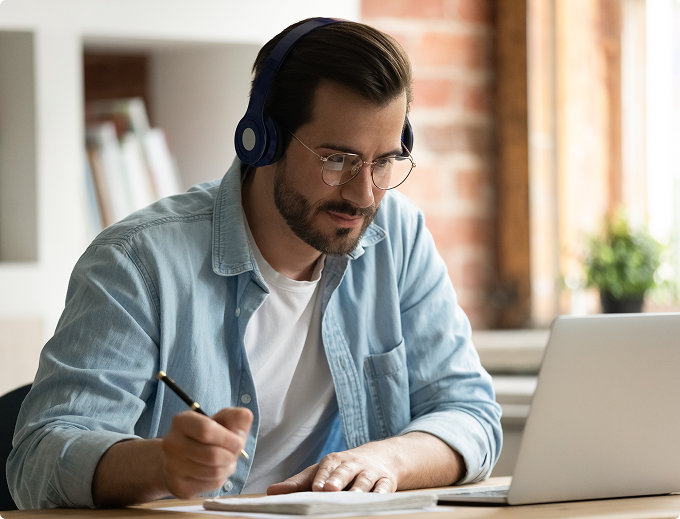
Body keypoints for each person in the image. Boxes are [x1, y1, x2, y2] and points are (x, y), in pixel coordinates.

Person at [8, 18, 502, 509]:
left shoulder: (398, 238)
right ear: (261, 140)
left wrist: (388, 460)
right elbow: (39, 458)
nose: (364, 193)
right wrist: (161, 465)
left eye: (383, 161)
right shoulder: (139, 262)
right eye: (337, 160)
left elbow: (471, 414)